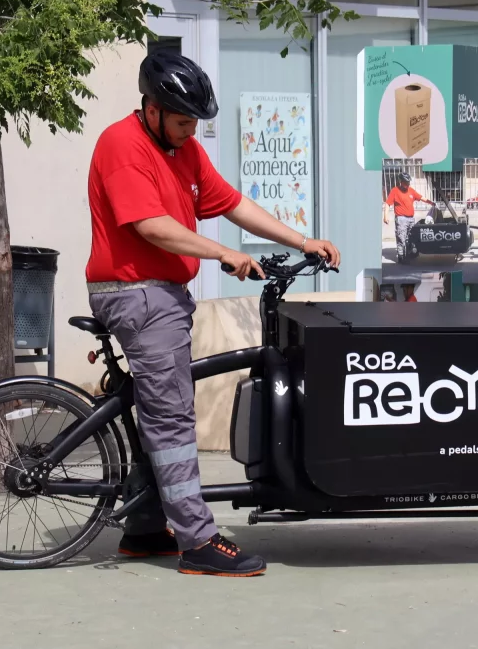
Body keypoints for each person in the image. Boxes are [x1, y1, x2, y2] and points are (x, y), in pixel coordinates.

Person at [84, 52, 341, 578]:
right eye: (181, 121)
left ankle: (146, 527)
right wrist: (221, 254)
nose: (189, 131)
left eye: (195, 123)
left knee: (158, 405)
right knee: (172, 416)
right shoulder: (121, 144)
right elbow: (150, 226)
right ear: (151, 110)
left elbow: (232, 203)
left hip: (162, 294)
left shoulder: (186, 150)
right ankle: (197, 541)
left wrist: (302, 239)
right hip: (137, 293)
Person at [383, 171, 422, 262]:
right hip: (401, 219)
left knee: (411, 237)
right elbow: (388, 204)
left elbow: (420, 197)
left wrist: (430, 202)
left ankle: (409, 253)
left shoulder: (411, 190)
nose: (407, 184)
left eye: (408, 183)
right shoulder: (395, 191)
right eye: (405, 182)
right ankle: (401, 257)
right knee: (401, 238)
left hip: (411, 219)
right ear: (401, 182)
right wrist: (385, 216)